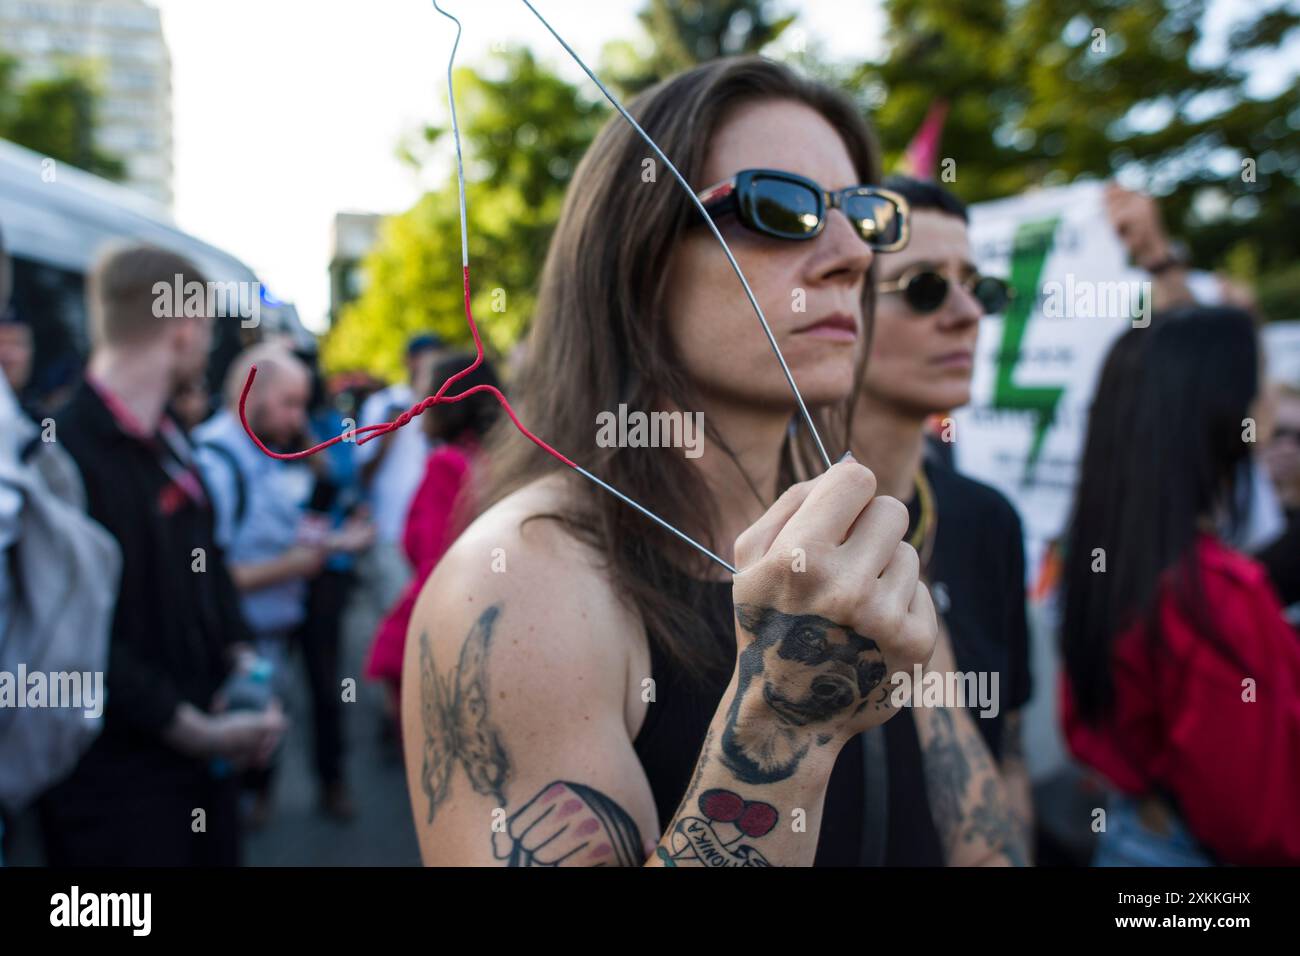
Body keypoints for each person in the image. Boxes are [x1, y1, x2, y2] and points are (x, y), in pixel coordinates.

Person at [399, 56, 942, 868]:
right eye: (782, 207)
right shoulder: (518, 586)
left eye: (865, 215)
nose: (854, 257)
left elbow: (975, 826)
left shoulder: (860, 536)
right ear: (639, 255)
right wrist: (781, 724)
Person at [39, 243, 285, 866]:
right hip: (114, 795)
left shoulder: (171, 442)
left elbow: (211, 568)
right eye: (205, 326)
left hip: (203, 776)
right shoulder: (64, 455)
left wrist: (244, 665)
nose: (207, 346)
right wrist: (194, 730)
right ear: (182, 328)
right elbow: (74, 641)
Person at [1059, 306, 1300, 866]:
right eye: (1259, 377)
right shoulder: (1214, 593)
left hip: (1132, 834)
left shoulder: (1113, 554)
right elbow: (1252, 824)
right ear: (1223, 405)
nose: (1270, 396)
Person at [846, 175, 1032, 865]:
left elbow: (1007, 751)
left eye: (977, 287)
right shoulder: (768, 539)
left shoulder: (988, 521)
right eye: (924, 287)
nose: (966, 313)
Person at [195, 343, 370, 825]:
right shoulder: (214, 462)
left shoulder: (265, 449)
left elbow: (276, 532)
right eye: (289, 403)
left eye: (302, 404)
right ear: (251, 393)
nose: (299, 419)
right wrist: (295, 565)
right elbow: (207, 578)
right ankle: (252, 798)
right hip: (241, 646)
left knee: (314, 695)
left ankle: (311, 787)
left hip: (276, 626)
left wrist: (334, 541)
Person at [365, 353, 501, 716]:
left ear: (449, 401)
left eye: (425, 390)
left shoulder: (447, 465)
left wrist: (413, 643)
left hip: (439, 632)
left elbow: (436, 567)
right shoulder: (488, 458)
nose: (417, 402)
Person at [353, 333, 444, 635]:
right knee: (399, 624)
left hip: (433, 532)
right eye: (424, 356)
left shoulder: (444, 402)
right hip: (392, 530)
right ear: (409, 361)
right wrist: (391, 430)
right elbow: (363, 470)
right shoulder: (386, 402)